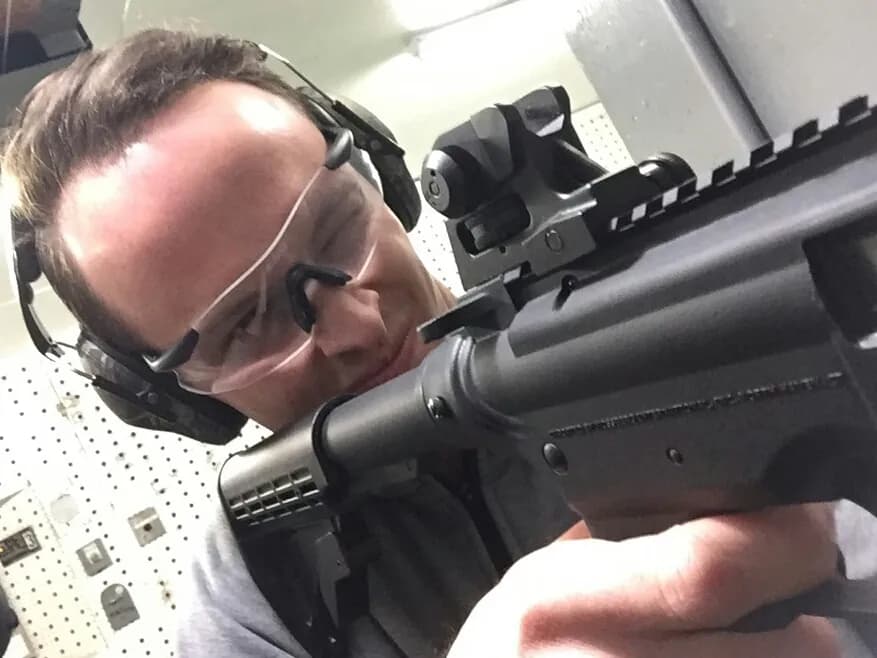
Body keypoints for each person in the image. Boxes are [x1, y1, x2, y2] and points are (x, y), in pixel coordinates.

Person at [0, 29, 871, 658]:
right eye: (241, 325)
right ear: (180, 400)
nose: (355, 324)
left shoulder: (661, 331)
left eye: (336, 228)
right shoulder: (260, 581)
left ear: (384, 179)